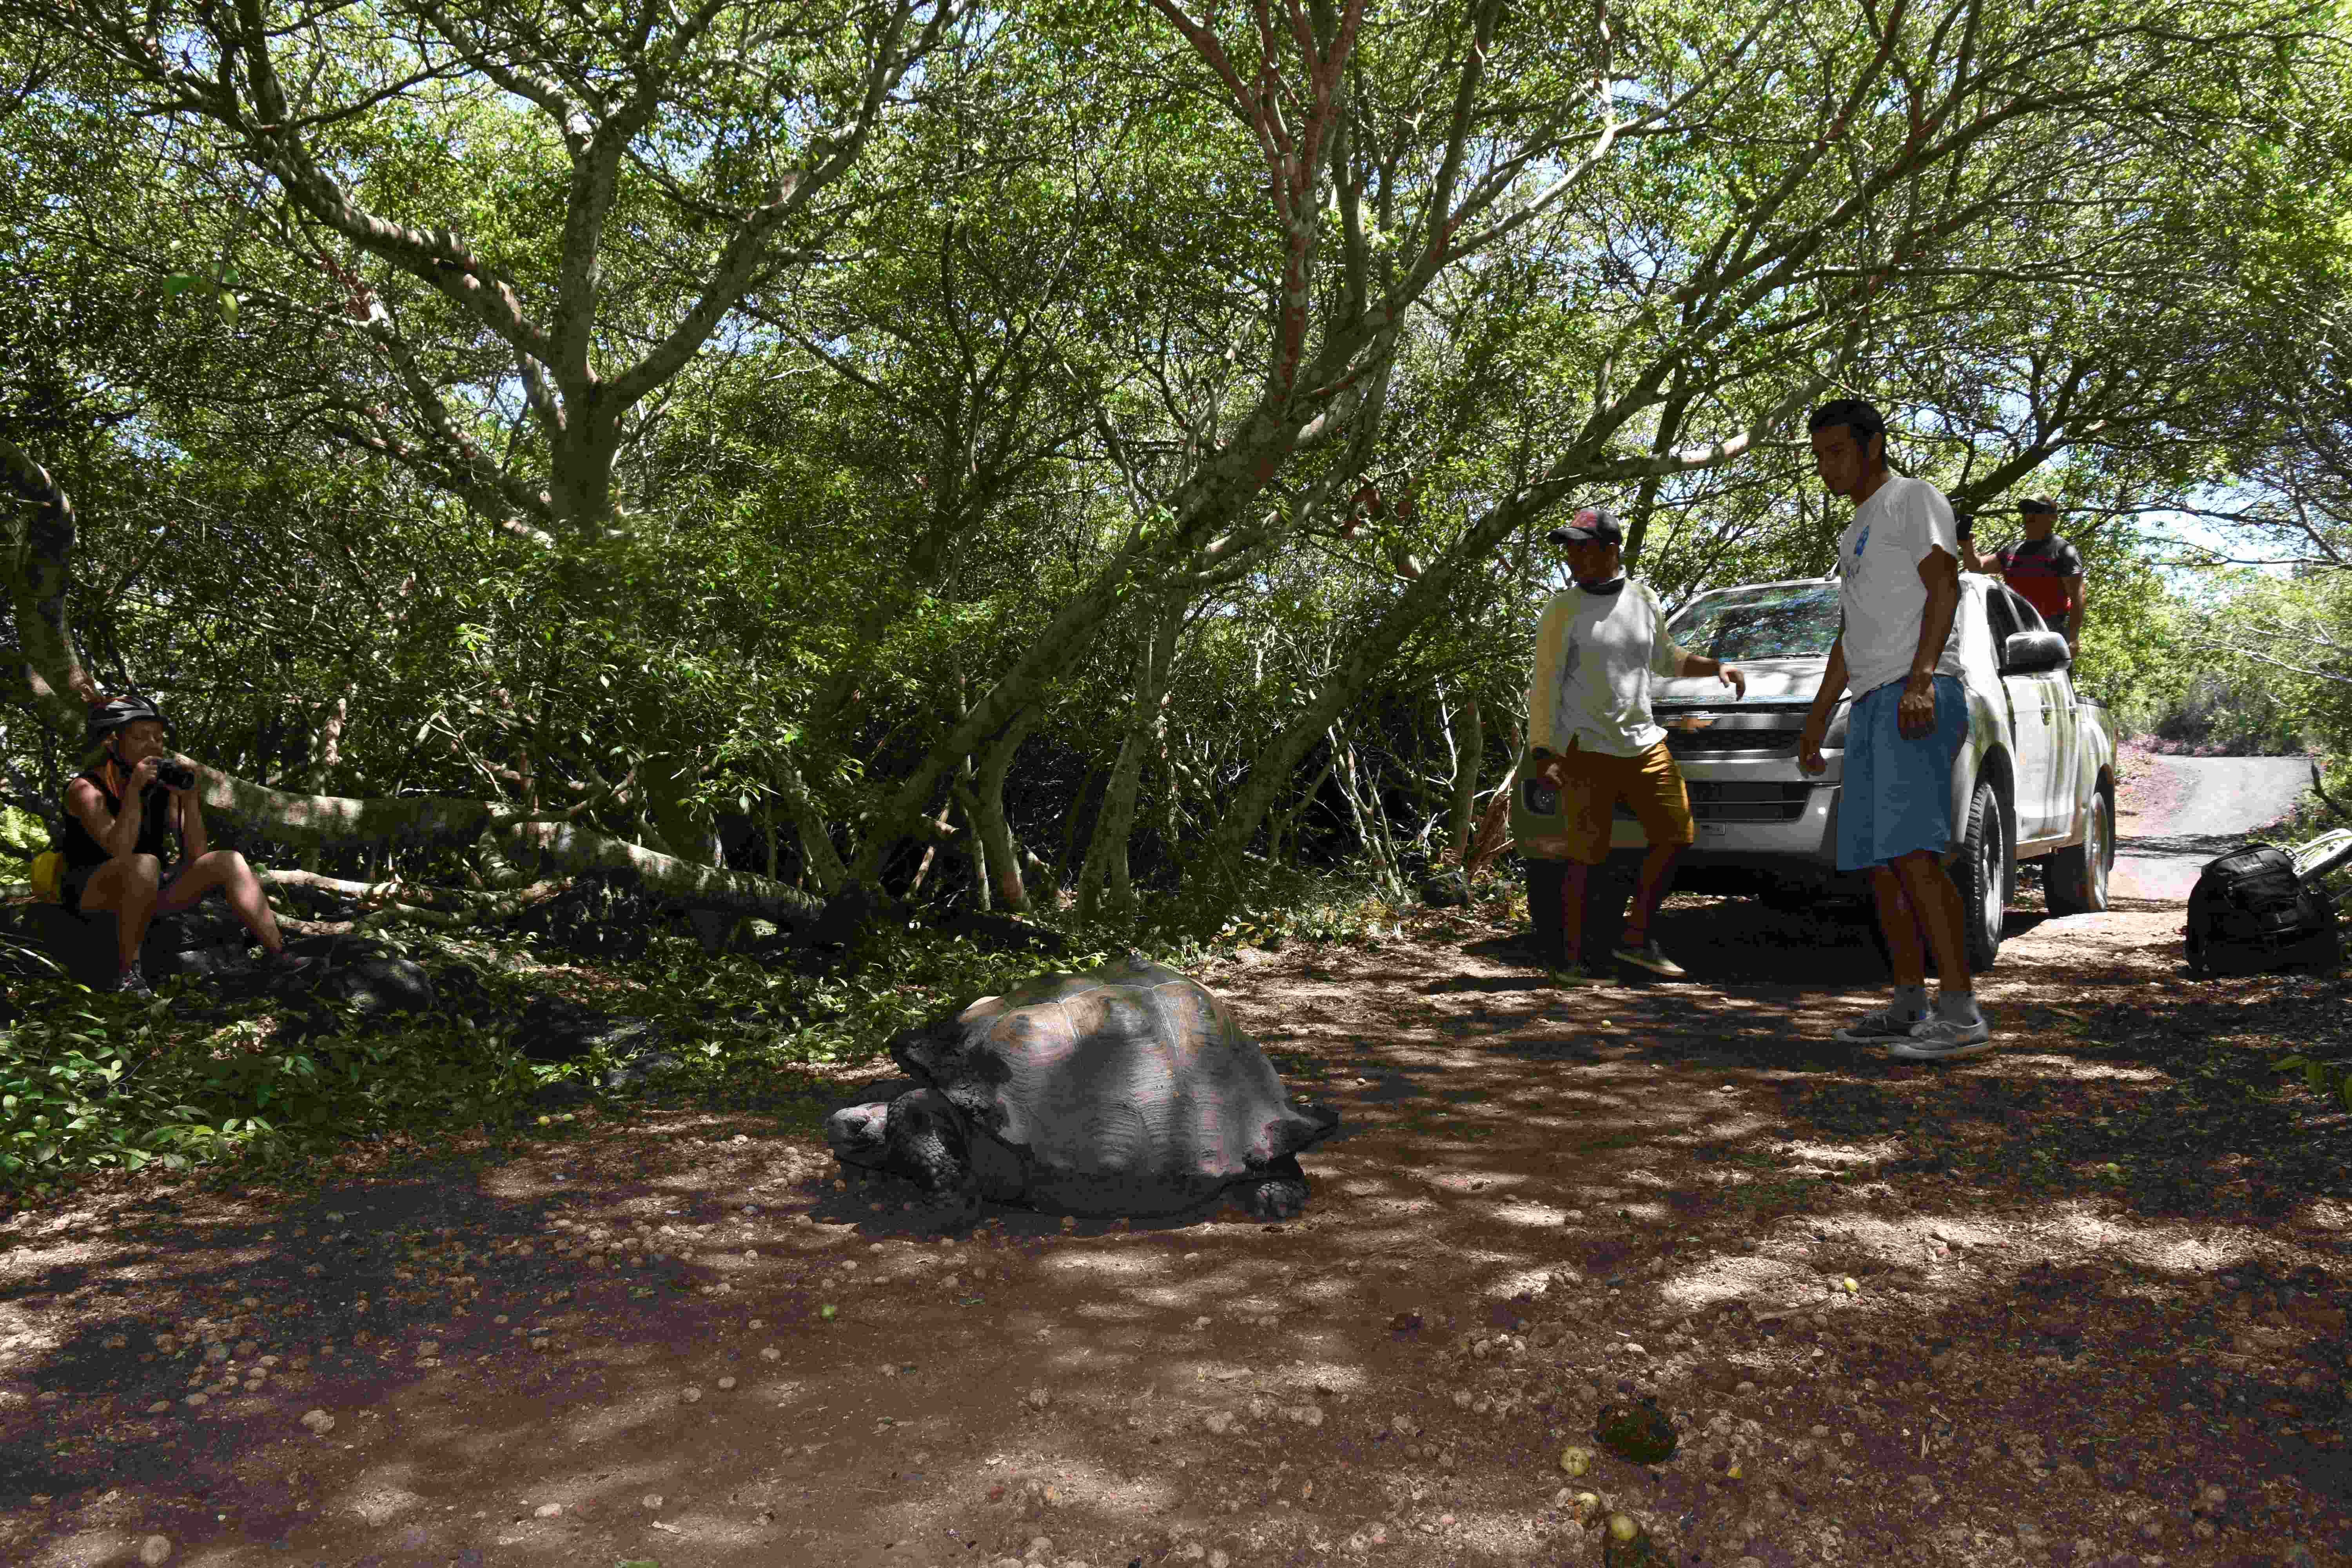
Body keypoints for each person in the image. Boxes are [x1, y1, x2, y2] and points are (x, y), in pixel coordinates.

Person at [1796, 400, 1990, 1060]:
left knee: (1914, 855)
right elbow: (1849, 636)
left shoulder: (1913, 498)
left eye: (1837, 452)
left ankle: (1960, 1013)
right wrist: (1818, 717)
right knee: (1879, 864)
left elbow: (1945, 587)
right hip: (1872, 700)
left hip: (1917, 694)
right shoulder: (1855, 529)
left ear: (1873, 445)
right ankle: (1909, 1004)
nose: (1827, 467)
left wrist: (1921, 678)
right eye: (1819, 456)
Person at [1523, 506, 1746, 984]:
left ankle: (1637, 937)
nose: (1571, 557)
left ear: (1611, 549)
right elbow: (1544, 684)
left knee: (1676, 834)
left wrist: (1716, 667)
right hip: (1587, 747)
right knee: (1586, 855)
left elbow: (1666, 658)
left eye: (1581, 547)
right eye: (1568, 549)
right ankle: (1573, 961)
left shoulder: (1644, 598)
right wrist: (1543, 750)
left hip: (1644, 743)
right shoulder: (1562, 610)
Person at [61, 696, 312, 997]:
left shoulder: (159, 787)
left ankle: (279, 955)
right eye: (141, 737)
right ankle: (128, 976)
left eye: (158, 738)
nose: (153, 745)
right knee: (144, 863)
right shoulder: (85, 789)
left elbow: (197, 856)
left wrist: (189, 799)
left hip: (147, 889)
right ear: (111, 743)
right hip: (94, 894)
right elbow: (120, 850)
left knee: (228, 860)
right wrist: (135, 792)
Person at [1959, 497, 2085, 655]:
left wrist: (2073, 637)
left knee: (2049, 672)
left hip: (2049, 631)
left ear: (2053, 517)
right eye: (2026, 511)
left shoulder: (2063, 551)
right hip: (2012, 631)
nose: (2030, 516)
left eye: (2038, 511)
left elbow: (2078, 596)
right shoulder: (2013, 550)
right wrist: (1967, 544)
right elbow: (1978, 567)